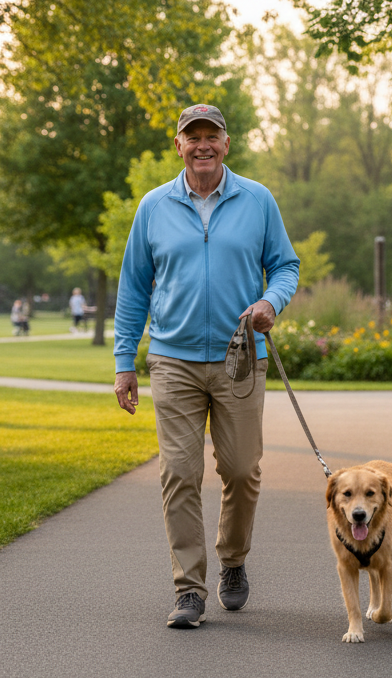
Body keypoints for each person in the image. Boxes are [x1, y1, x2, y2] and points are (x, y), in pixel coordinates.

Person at [113, 103, 300, 630]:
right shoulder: (153, 206)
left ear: (226, 143)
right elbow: (132, 287)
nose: (202, 145)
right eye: (191, 137)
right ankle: (189, 589)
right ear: (178, 146)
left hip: (240, 359)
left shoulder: (257, 199)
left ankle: (233, 560)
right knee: (179, 473)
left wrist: (271, 302)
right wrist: (125, 361)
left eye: (210, 136)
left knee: (241, 470)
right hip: (172, 360)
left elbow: (286, 265)